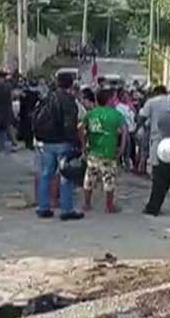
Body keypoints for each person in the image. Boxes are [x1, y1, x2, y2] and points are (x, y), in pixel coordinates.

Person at [34, 75, 84, 220]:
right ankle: (67, 210)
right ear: (70, 84)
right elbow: (70, 124)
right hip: (63, 142)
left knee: (46, 174)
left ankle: (43, 207)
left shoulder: (47, 98)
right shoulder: (69, 101)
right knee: (66, 175)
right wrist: (75, 143)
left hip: (46, 142)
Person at [80, 88, 127, 214]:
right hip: (109, 152)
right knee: (109, 179)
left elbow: (81, 129)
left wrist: (84, 145)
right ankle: (109, 206)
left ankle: (87, 203)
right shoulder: (116, 115)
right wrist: (121, 148)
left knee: (89, 178)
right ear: (109, 100)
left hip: (93, 152)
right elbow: (125, 132)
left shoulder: (90, 114)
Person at [138, 86, 170, 175]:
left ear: (155, 93)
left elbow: (143, 117)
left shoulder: (152, 102)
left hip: (156, 135)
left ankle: (155, 178)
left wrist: (139, 128)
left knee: (155, 161)